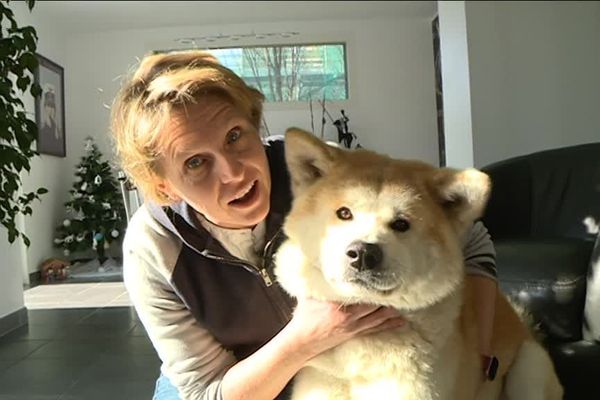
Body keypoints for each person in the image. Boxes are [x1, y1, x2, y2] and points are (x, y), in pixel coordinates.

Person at [110, 51, 498, 400]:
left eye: (234, 136)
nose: (233, 172)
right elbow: (206, 393)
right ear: (163, 187)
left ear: (254, 124)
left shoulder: (330, 176)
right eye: (195, 163)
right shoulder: (153, 248)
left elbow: (470, 240)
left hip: (335, 369)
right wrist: (306, 337)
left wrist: (479, 353)